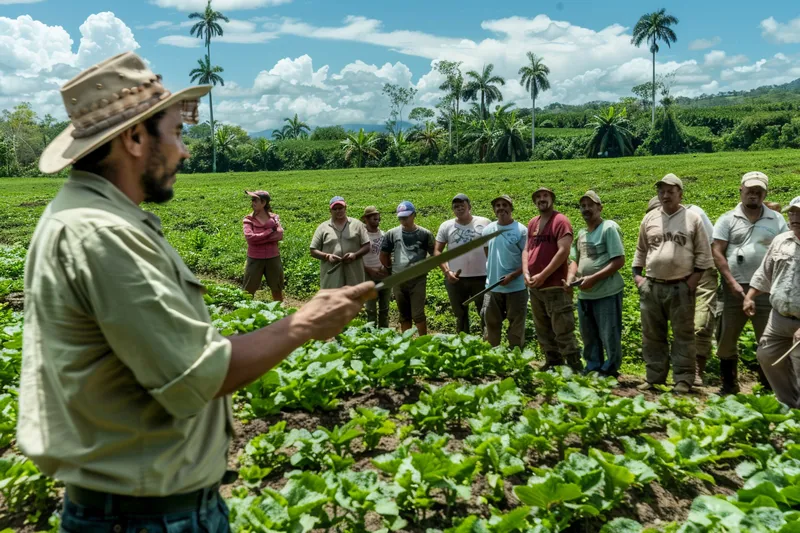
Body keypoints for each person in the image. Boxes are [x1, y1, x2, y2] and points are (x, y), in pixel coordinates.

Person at [18, 52, 374, 532]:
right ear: (134, 138)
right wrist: (305, 323)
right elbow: (195, 376)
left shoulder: (92, 217)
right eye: (178, 134)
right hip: (144, 517)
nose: (184, 152)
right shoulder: (100, 232)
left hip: (142, 507)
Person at [633, 174, 714, 394]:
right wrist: (638, 277)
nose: (665, 195)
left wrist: (692, 281)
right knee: (652, 335)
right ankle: (654, 378)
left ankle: (683, 379)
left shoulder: (692, 218)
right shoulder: (649, 219)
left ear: (680, 193)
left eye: (670, 191)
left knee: (684, 336)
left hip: (681, 286)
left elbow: (703, 253)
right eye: (661, 191)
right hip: (652, 286)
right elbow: (641, 249)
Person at [712, 172, 788, 394]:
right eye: (750, 191)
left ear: (765, 194)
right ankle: (729, 385)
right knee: (727, 337)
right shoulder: (727, 219)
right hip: (733, 288)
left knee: (768, 339)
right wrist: (732, 283)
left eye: (758, 192)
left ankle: (767, 385)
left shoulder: (777, 220)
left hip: (766, 289)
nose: (753, 195)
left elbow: (786, 246)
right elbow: (717, 251)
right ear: (741, 191)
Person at [647, 195, 718, 386]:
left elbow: (712, 246)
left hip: (701, 274)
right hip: (674, 279)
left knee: (700, 323)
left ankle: (696, 369)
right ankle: (662, 374)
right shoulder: (654, 223)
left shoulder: (695, 214)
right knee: (666, 328)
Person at [745, 196, 800, 409]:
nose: (794, 217)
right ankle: (789, 404)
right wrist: (750, 296)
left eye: (799, 213)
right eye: (792, 212)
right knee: (767, 355)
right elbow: (765, 273)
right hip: (779, 318)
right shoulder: (781, 241)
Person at [566, 191, 625, 378]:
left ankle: (610, 369)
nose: (586, 209)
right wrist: (571, 278)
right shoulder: (582, 233)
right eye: (582, 206)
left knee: (609, 333)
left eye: (590, 205)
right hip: (585, 293)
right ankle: (593, 366)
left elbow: (618, 260)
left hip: (606, 291)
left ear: (600, 207)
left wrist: (593, 278)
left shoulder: (609, 228)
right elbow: (575, 259)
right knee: (588, 334)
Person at [522, 187, 582, 371]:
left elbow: (563, 251)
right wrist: (526, 272)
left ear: (552, 199)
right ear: (535, 202)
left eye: (545, 196)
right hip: (535, 287)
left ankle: (573, 366)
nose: (542, 199)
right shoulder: (533, 223)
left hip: (555, 286)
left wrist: (543, 275)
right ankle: (553, 362)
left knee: (563, 329)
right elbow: (526, 250)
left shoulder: (560, 221)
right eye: (538, 197)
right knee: (543, 329)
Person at [435, 193, 491, 334]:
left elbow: (490, 249)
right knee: (460, 315)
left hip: (481, 277)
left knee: (485, 312)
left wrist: (492, 271)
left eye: (462, 205)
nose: (459, 208)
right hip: (456, 279)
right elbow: (437, 251)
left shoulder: (484, 222)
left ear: (469, 207)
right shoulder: (446, 226)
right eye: (456, 206)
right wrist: (447, 272)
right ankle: (462, 344)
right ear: (453, 209)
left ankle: (487, 344)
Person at [381, 201, 435, 335]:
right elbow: (384, 255)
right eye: (400, 217)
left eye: (406, 216)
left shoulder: (424, 234)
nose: (403, 220)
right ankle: (406, 342)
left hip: (418, 280)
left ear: (414, 215)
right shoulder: (391, 234)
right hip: (399, 279)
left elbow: (435, 254)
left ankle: (424, 341)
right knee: (404, 314)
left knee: (418, 314)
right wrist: (390, 269)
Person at [481, 195, 528, 349]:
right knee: (491, 323)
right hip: (493, 287)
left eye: (505, 205)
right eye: (498, 205)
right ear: (494, 210)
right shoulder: (488, 230)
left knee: (516, 324)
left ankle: (515, 356)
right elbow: (487, 253)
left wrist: (513, 275)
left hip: (516, 287)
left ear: (511, 208)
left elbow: (528, 259)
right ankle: (493, 356)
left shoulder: (521, 230)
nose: (501, 208)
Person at [310, 196, 371, 289]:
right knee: (333, 300)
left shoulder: (357, 224)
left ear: (345, 208)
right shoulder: (323, 227)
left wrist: (355, 255)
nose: (338, 211)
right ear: (330, 211)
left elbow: (366, 246)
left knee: (355, 299)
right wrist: (327, 256)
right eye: (335, 209)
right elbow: (313, 250)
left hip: (354, 272)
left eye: (340, 208)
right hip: (331, 274)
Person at [242, 190, 284, 301]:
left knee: (277, 287)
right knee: (248, 289)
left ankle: (279, 312)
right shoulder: (248, 219)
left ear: (263, 202)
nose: (252, 202)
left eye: (255, 200)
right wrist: (268, 232)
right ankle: (245, 310)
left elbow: (279, 235)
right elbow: (250, 239)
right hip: (255, 258)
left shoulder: (274, 218)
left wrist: (259, 238)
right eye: (252, 200)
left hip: (273, 257)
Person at [361, 205, 390, 328]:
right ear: (366, 219)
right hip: (368, 275)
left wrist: (386, 267)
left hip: (384, 274)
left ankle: (384, 332)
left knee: (385, 308)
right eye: (374, 219)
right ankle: (371, 335)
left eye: (378, 219)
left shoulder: (384, 234)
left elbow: (388, 253)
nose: (377, 221)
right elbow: (358, 257)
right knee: (371, 309)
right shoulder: (361, 236)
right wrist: (368, 269)